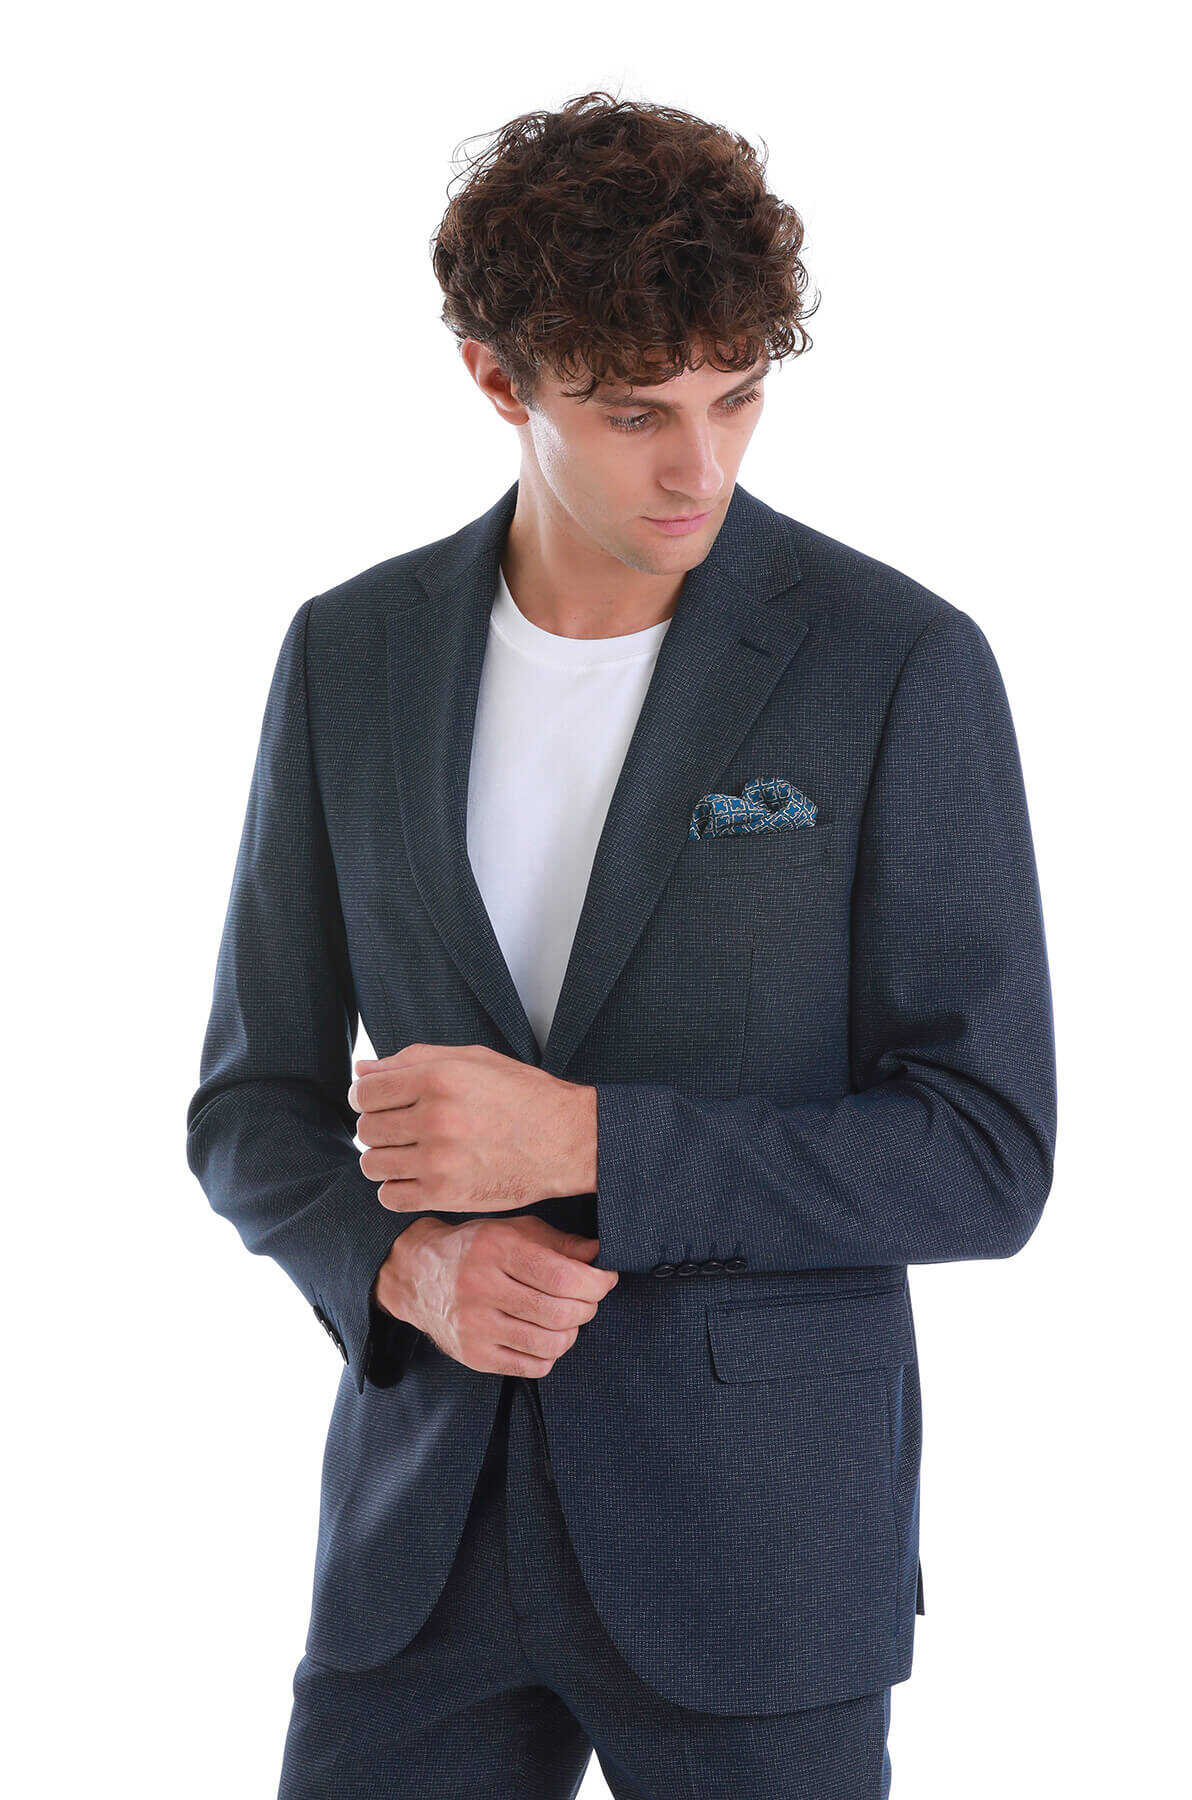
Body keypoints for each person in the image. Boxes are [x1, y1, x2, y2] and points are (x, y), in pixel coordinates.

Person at [187, 89, 1057, 1799]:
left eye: (739, 396)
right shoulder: (349, 654)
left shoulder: (894, 662)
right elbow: (248, 1108)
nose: (700, 467)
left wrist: (590, 1144)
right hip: (420, 1550)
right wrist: (403, 1268)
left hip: (758, 1555)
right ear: (496, 381)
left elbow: (987, 1153)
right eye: (635, 410)